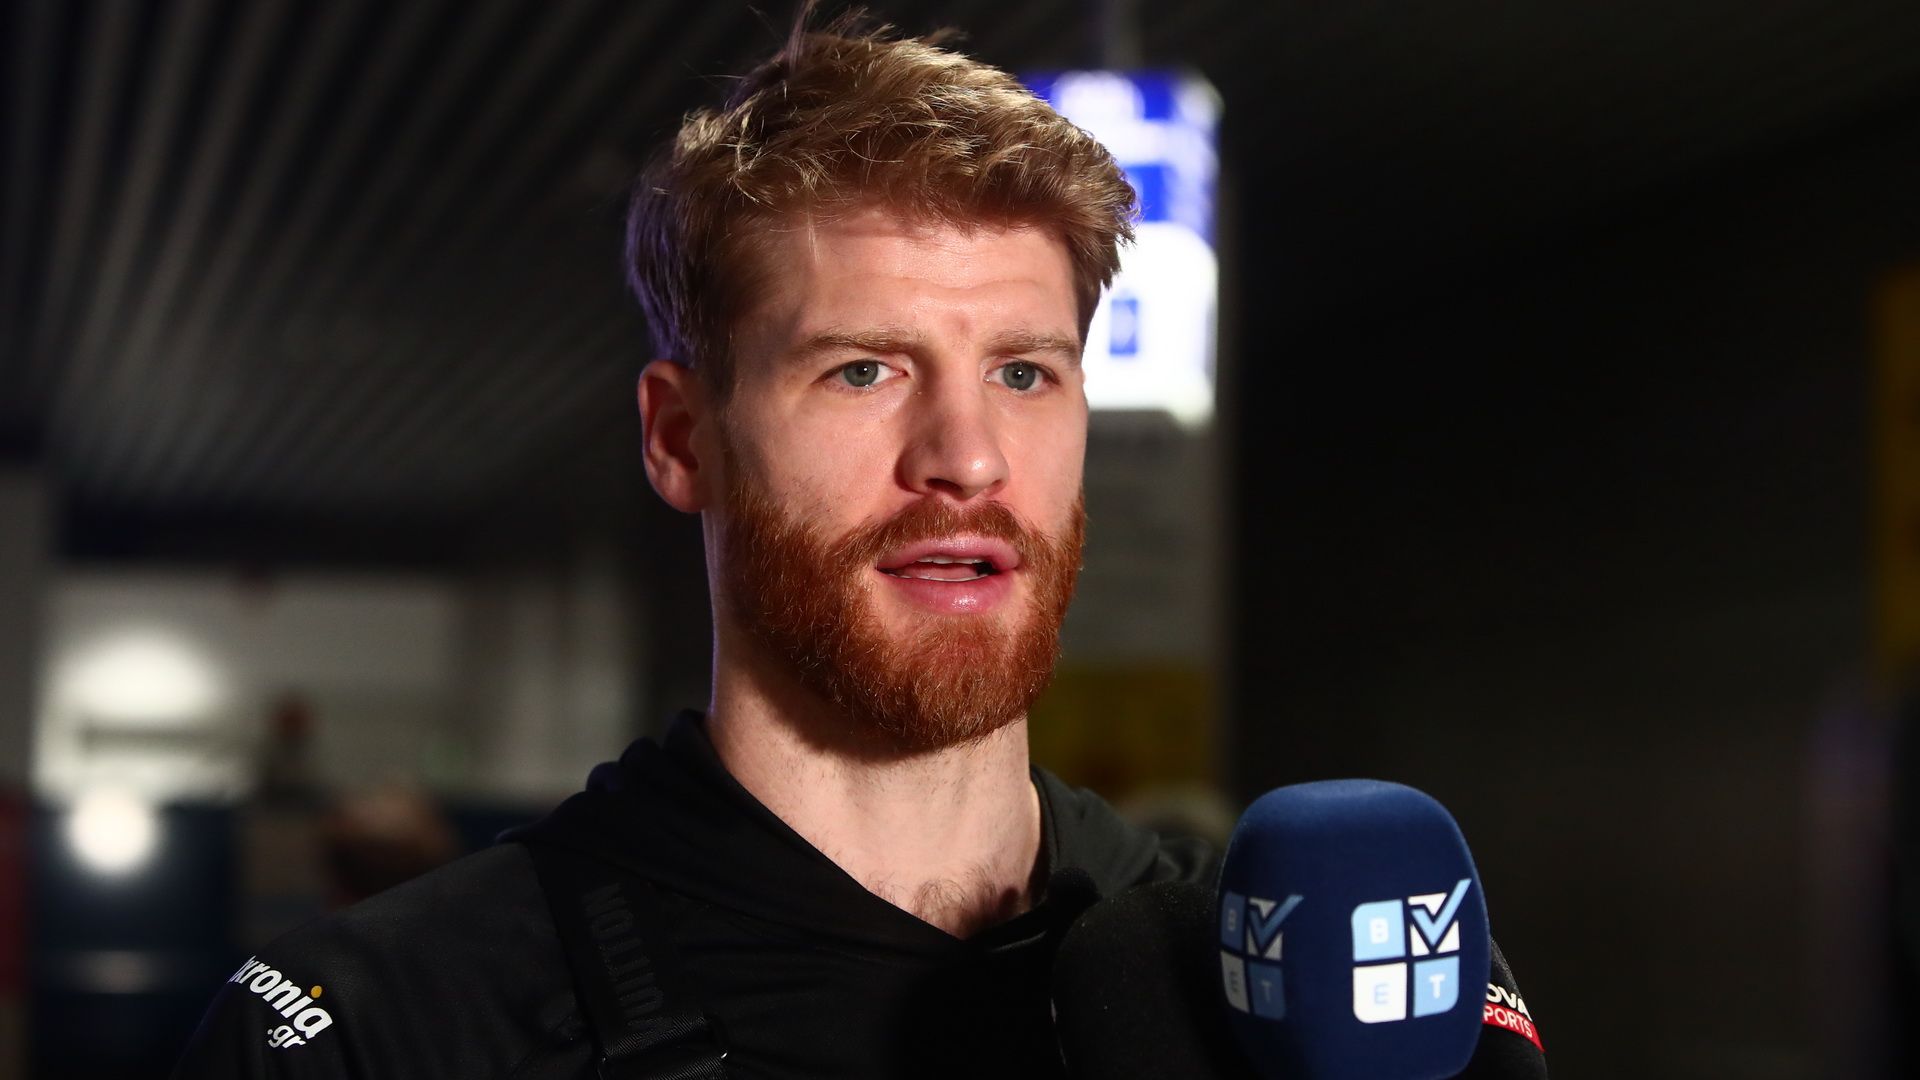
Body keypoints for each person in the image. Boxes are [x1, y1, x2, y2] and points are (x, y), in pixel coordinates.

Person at [174, 13, 1544, 1079]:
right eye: (864, 370)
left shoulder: (1283, 978)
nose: (968, 458)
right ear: (681, 438)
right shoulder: (392, 1027)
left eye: (1024, 372)